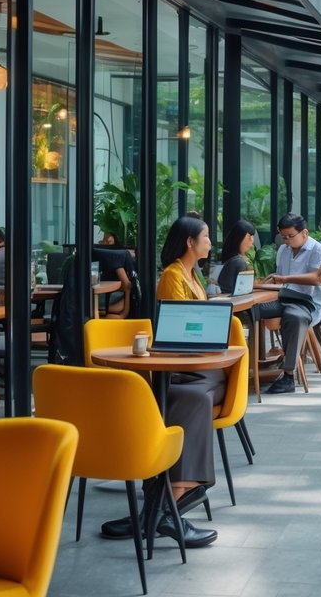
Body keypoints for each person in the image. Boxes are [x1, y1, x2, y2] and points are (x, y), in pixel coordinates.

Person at [101, 216, 221, 548]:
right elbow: (182, 328)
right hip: (187, 366)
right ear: (189, 243)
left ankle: (154, 512)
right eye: (206, 237)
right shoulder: (172, 276)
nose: (210, 242)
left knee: (191, 397)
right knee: (193, 399)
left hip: (201, 367)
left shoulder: (192, 274)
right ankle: (168, 509)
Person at [257, 213, 321, 395]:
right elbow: (281, 282)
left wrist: (285, 278)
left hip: (304, 302)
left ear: (304, 233)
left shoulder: (317, 250)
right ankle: (247, 363)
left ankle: (288, 375)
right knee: (252, 310)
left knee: (294, 317)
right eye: (284, 237)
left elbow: (316, 278)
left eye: (291, 236)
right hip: (282, 298)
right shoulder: (283, 250)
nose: (287, 241)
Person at [216, 219, 258, 295]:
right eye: (249, 236)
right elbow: (244, 289)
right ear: (239, 238)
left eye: (252, 236)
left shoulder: (236, 259)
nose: (252, 240)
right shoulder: (238, 262)